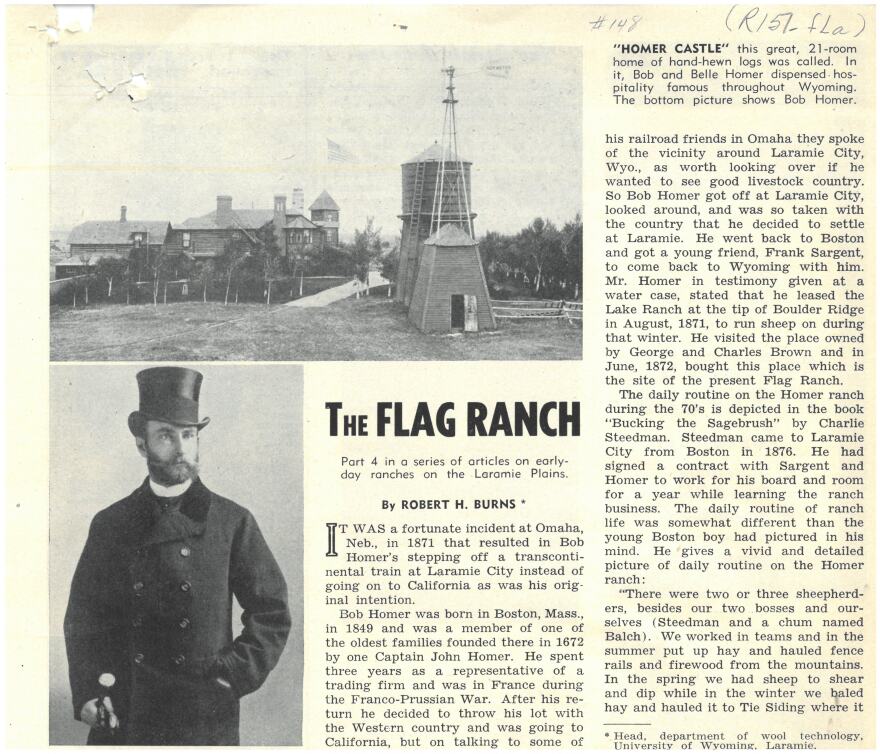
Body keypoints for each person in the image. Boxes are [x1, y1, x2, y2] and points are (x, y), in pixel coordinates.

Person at [64, 366, 291, 746]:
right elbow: (85, 617)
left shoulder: (231, 520)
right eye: (166, 436)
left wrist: (230, 675)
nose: (182, 447)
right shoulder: (111, 523)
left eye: (188, 435)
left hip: (201, 712)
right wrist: (89, 690)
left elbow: (271, 612)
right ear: (142, 445)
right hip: (127, 707)